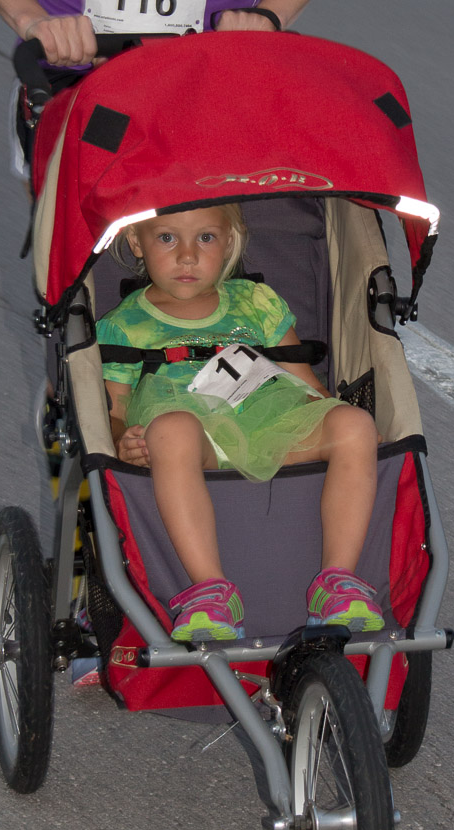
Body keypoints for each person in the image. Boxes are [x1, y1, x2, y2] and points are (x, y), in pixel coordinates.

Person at [97, 205, 385, 643]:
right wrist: (123, 441)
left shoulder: (256, 302)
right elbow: (115, 412)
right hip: (193, 441)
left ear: (229, 241)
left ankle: (337, 582)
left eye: (206, 238)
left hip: (269, 424)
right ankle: (210, 590)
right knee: (171, 431)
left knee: (354, 424)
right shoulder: (123, 325)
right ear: (137, 242)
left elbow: (304, 383)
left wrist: (343, 423)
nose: (188, 255)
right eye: (167, 238)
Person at [0, 1, 312, 67]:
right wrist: (30, 19)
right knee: (60, 207)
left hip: (211, 71)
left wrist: (269, 14)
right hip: (65, 66)